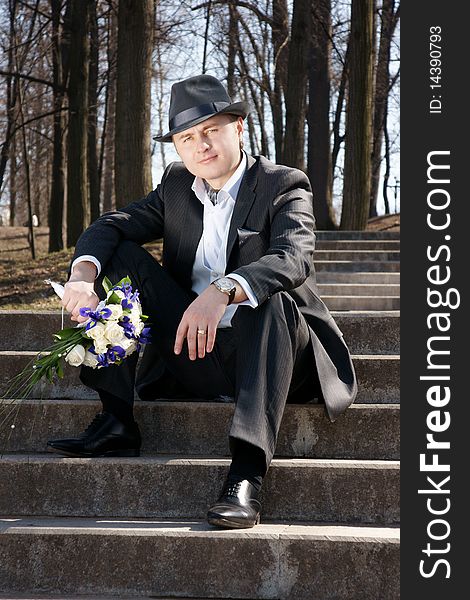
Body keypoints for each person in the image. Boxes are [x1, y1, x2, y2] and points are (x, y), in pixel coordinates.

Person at [47, 74, 357, 529]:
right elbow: (110, 225)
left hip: (275, 357)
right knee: (119, 254)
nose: (200, 145)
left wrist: (223, 289)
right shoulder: (176, 186)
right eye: (187, 137)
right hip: (195, 350)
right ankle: (116, 420)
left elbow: (293, 258)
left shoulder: (283, 184)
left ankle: (247, 473)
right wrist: (81, 275)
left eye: (210, 129)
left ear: (237, 127)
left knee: (270, 301)